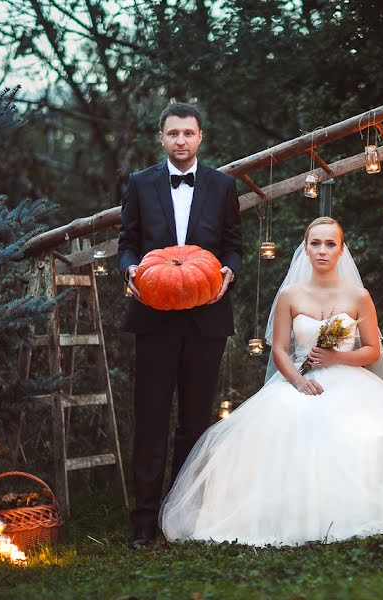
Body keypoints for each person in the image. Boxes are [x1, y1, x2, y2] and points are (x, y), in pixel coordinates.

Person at [159, 217, 383, 547]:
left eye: (330, 244)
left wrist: (337, 357)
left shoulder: (358, 297)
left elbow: (371, 351)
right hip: (298, 379)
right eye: (316, 244)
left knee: (367, 433)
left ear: (341, 250)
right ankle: (285, 514)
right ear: (305, 250)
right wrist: (296, 380)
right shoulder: (290, 296)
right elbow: (280, 349)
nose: (322, 250)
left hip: (349, 379)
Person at [117, 102, 243, 549]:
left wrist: (229, 270)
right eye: (173, 134)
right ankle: (144, 523)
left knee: (195, 422)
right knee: (150, 420)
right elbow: (127, 243)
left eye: (188, 134)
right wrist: (131, 270)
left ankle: (182, 515)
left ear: (200, 137)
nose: (181, 141)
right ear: (162, 138)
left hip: (206, 319)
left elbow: (233, 245)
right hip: (153, 317)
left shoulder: (223, 186)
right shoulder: (139, 184)